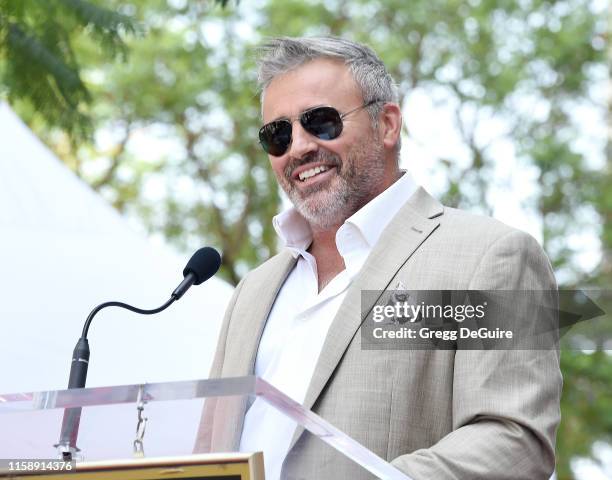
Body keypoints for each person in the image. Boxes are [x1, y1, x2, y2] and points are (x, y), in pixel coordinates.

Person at [195, 36, 562, 480]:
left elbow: (513, 441)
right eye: (279, 134)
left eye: (321, 121)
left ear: (387, 124)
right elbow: (208, 452)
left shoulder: (487, 257)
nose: (299, 147)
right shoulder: (253, 291)